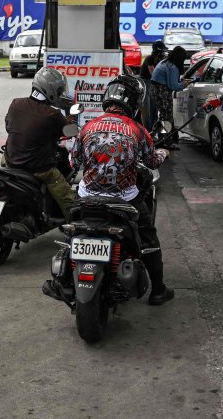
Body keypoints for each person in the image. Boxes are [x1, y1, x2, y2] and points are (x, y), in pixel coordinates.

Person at [67, 76, 173, 305]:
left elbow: (74, 163)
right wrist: (165, 152)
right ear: (134, 103)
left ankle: (67, 276)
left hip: (88, 197)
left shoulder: (87, 127)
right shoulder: (137, 130)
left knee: (72, 231)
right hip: (124, 200)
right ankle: (158, 291)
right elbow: (152, 162)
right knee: (148, 238)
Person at [3, 67, 77, 221]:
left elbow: (8, 126)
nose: (60, 93)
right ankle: (76, 228)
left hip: (10, 162)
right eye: (58, 90)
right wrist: (72, 114)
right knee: (69, 198)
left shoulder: (16, 103)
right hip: (38, 169)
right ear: (49, 89)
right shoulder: (52, 114)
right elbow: (71, 131)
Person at [149, 46, 193, 142]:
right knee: (167, 117)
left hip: (156, 90)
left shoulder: (165, 62)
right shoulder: (172, 67)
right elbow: (173, 86)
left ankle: (158, 137)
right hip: (162, 91)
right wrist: (185, 84)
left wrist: (181, 82)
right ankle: (165, 140)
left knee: (163, 116)